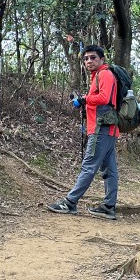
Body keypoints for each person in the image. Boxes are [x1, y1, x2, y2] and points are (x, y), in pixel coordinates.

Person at [47, 44, 119, 220]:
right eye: (86, 58)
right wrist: (84, 102)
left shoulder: (104, 74)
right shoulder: (98, 76)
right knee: (109, 169)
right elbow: (101, 100)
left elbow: (104, 98)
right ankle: (109, 207)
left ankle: (70, 202)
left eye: (93, 57)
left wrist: (84, 99)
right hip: (107, 128)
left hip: (101, 129)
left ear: (102, 59)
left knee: (89, 166)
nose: (89, 61)